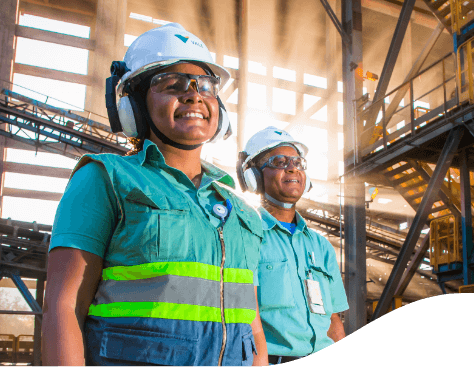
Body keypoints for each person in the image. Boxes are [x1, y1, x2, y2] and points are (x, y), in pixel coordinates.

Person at [42, 23, 268, 367]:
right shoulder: (105, 178)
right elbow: (64, 306)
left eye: (205, 86)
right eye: (171, 84)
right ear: (133, 104)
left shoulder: (240, 210)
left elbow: (250, 325)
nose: (194, 95)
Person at [237, 127, 348, 364]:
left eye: (298, 162)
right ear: (254, 176)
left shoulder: (321, 246)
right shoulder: (247, 235)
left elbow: (333, 320)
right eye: (279, 161)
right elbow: (246, 316)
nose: (293, 168)